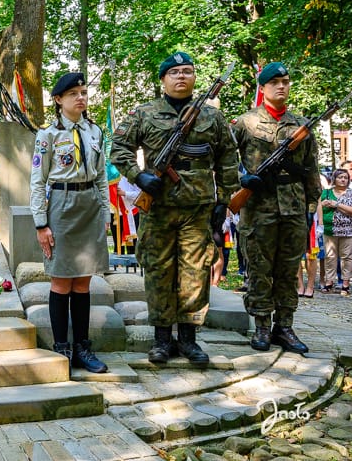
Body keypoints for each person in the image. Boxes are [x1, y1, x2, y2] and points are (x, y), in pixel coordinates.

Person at [111, 52, 238, 364]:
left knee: (195, 272)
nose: (181, 77)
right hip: (158, 207)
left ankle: (190, 339)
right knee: (158, 270)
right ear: (163, 79)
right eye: (175, 72)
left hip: (198, 208)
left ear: (194, 77)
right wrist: (139, 176)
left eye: (188, 72)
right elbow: (119, 148)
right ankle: (162, 339)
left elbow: (228, 158)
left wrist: (224, 201)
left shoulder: (212, 116)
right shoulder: (144, 113)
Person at [231, 61, 321, 354]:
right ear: (263, 87)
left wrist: (310, 205)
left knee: (287, 268)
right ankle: (261, 326)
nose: (281, 86)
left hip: (293, 207)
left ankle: (285, 326)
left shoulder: (301, 125)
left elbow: (311, 168)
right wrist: (241, 180)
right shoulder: (246, 123)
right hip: (259, 207)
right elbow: (225, 159)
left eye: (285, 82)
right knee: (259, 267)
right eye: (275, 83)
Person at [31, 72, 110, 373]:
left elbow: (102, 175)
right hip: (62, 207)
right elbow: (37, 182)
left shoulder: (95, 132)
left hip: (89, 204)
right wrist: (41, 224)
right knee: (62, 279)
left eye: (84, 92)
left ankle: (82, 348)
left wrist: (105, 212)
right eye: (73, 93)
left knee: (84, 280)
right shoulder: (48, 135)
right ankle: (61, 347)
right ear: (58, 100)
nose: (81, 98)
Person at [320, 168, 352, 295]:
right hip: (329, 229)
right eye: (340, 177)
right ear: (334, 179)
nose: (343, 179)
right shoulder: (326, 192)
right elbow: (318, 207)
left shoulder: (350, 193)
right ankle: (329, 282)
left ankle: (345, 284)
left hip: (348, 230)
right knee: (330, 257)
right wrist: (323, 203)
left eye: (345, 177)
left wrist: (336, 204)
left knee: (347, 257)